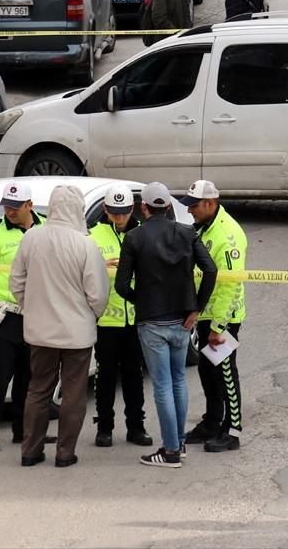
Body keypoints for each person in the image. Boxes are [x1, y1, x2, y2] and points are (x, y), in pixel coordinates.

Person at [115, 182, 218, 468]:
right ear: (169, 206)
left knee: (162, 385)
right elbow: (210, 269)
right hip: (182, 320)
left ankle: (171, 450)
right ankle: (179, 445)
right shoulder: (186, 233)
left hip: (152, 322)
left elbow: (122, 285)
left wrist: (141, 300)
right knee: (178, 381)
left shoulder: (134, 238)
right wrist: (197, 306)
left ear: (143, 207)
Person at [10, 184, 110, 468]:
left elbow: (16, 282)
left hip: (40, 333)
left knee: (38, 390)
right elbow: (98, 293)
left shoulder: (32, 238)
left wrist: (34, 308)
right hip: (76, 335)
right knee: (73, 394)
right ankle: (65, 454)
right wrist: (92, 314)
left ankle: (30, 451)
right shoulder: (85, 244)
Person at [0, 182, 46, 453]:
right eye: (6, 205)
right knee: (0, 376)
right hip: (5, 316)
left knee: (29, 377)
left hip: (36, 314)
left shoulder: (46, 227)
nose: (10, 211)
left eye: (15, 206)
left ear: (29, 205)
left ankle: (22, 430)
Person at [178, 180, 247, 453]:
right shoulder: (205, 226)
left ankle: (233, 431)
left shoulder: (228, 236)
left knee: (226, 373)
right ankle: (211, 422)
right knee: (208, 371)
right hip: (207, 314)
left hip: (224, 318)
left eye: (193, 206)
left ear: (210, 203)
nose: (190, 211)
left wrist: (218, 327)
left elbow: (230, 285)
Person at [88, 183, 152, 449]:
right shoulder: (92, 236)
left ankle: (136, 427)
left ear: (132, 209)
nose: (120, 217)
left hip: (134, 320)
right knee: (105, 378)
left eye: (124, 212)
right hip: (106, 321)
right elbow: (82, 272)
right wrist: (100, 266)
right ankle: (104, 428)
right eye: (115, 212)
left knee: (134, 377)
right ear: (105, 209)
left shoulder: (141, 234)